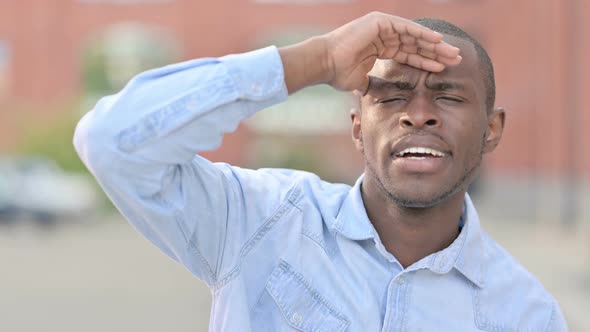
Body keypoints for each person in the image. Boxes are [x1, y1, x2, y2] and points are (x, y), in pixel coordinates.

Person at [74, 12, 567, 331]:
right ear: (357, 127)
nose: (418, 113)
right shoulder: (262, 220)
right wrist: (321, 59)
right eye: (392, 95)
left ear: (492, 130)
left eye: (449, 96)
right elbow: (112, 142)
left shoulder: (526, 314)